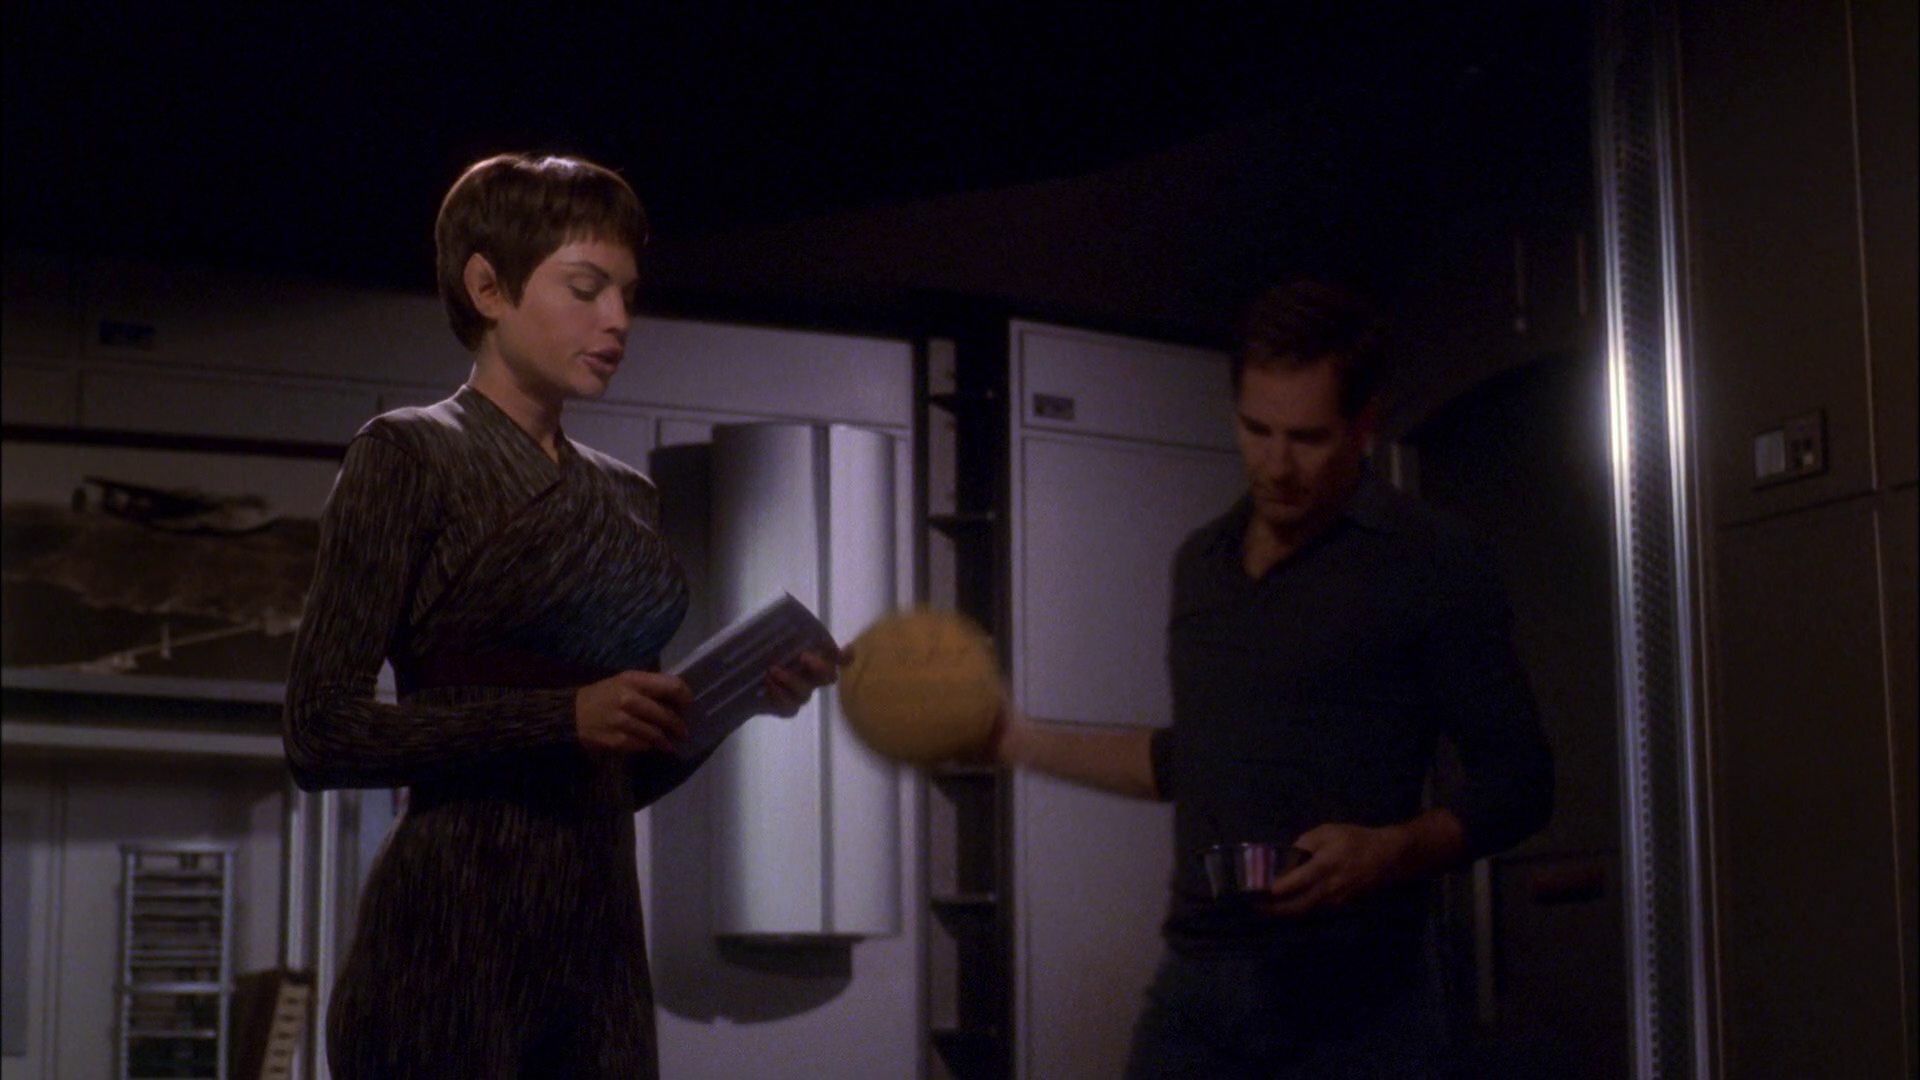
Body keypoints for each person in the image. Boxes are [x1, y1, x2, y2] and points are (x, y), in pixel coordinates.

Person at [282, 152, 840, 1079]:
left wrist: (733, 704)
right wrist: (563, 716)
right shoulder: (410, 455)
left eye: (626, 294)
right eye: (585, 289)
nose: (617, 319)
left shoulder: (626, 497)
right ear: (487, 287)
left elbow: (612, 776)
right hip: (448, 937)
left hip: (598, 942)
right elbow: (318, 732)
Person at [989, 279, 1554, 1078]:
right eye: (1256, 430)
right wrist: (1017, 741)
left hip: (1360, 1000)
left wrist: (1391, 850)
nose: (1277, 465)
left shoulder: (1432, 559)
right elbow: (1196, 759)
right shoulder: (1202, 563)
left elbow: (1522, 783)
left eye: (1307, 438)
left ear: (1363, 425)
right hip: (1198, 991)